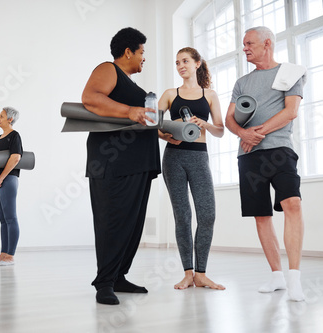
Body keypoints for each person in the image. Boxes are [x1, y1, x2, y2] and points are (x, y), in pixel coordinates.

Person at [225, 26, 306, 301]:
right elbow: (229, 120)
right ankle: (277, 277)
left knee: (292, 204)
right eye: (243, 44)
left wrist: (256, 133)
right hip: (248, 155)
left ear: (266, 43)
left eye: (249, 43)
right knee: (261, 215)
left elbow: (290, 111)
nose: (244, 47)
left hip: (280, 150)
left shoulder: (290, 73)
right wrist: (243, 133)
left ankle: (294, 278)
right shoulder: (242, 82)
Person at [81, 27, 161, 305]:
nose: (143, 58)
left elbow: (139, 119)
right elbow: (90, 98)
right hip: (113, 163)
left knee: (132, 225)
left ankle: (118, 276)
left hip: (137, 164)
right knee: (112, 223)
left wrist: (161, 130)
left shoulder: (130, 83)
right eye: (142, 52)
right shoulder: (108, 69)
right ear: (128, 52)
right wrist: (130, 111)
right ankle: (104, 282)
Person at [158, 47, 225, 290]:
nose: (180, 66)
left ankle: (202, 274)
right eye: (177, 62)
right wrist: (168, 135)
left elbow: (220, 130)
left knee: (207, 215)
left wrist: (203, 123)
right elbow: (152, 125)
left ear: (197, 64)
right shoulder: (169, 94)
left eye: (185, 61)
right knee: (183, 216)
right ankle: (188, 273)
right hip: (174, 158)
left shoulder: (210, 95)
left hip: (199, 157)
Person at [0, 107, 23, 266]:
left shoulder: (15, 136)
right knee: (2, 218)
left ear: (10, 119)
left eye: (1, 116)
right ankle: (3, 254)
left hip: (8, 180)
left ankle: (10, 256)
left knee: (10, 217)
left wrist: (0, 178)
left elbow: (15, 158)